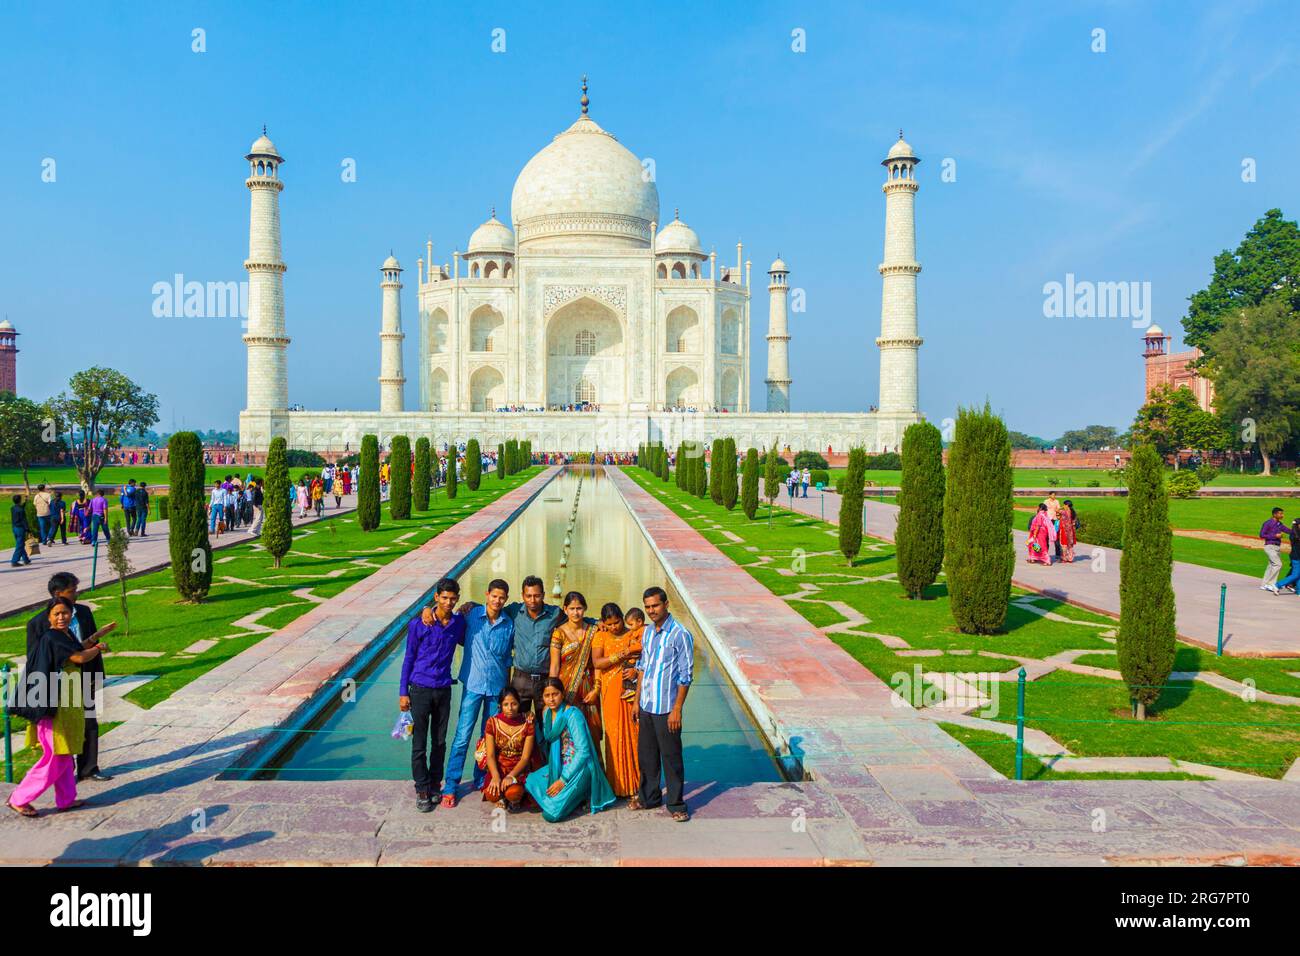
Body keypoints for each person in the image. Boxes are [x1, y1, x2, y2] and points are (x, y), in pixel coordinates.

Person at [6, 599, 109, 817]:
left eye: (65, 613)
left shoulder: (65, 635)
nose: (61, 617)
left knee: (65, 752)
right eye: (57, 614)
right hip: (53, 705)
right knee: (56, 755)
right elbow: (79, 657)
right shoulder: (52, 636)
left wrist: (96, 637)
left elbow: (78, 647)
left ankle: (66, 799)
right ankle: (19, 798)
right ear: (49, 617)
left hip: (66, 700)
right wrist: (98, 649)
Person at [26, 572, 117, 781]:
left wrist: (96, 674)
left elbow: (88, 646)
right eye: (72, 591)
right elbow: (35, 659)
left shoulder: (84, 612)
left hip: (83, 678)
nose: (76, 594)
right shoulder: (37, 624)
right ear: (58, 594)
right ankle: (65, 771)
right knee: (61, 729)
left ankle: (89, 768)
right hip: (58, 684)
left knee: (89, 722)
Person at [442, 579, 514, 807]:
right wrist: (426, 610)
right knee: (462, 736)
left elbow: (508, 659)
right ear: (487, 594)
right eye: (494, 596)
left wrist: (508, 692)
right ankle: (451, 784)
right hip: (473, 685)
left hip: (496, 689)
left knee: (488, 738)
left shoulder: (508, 625)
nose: (497, 601)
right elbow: (447, 616)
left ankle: (481, 777)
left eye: (502, 597)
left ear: (506, 599)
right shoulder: (471, 616)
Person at [398, 577, 465, 812]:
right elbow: (408, 658)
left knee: (439, 741)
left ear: (457, 599)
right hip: (420, 689)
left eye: (452, 598)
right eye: (444, 598)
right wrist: (402, 692)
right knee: (419, 743)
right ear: (436, 597)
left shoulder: (458, 625)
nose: (448, 602)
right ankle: (422, 789)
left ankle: (436, 783)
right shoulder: (419, 624)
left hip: (443, 689)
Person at [454, 574, 560, 720]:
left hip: (544, 679)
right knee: (515, 722)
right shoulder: (515, 611)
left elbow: (576, 617)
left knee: (546, 724)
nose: (532, 600)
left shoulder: (554, 614)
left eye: (537, 595)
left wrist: (596, 622)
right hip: (520, 679)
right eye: (528, 596)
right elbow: (493, 606)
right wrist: (472, 605)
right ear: (522, 595)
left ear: (543, 595)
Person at [630, 587, 693, 821]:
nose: (651, 610)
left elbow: (686, 676)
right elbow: (642, 668)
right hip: (647, 704)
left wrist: (677, 709)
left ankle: (676, 804)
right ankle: (649, 797)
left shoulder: (679, 634)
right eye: (647, 607)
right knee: (646, 756)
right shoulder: (647, 633)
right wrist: (637, 702)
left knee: (671, 757)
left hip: (667, 708)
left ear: (666, 604)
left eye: (655, 606)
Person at [524, 677, 616, 822]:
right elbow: (546, 739)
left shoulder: (573, 714)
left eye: (555, 694)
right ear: (542, 698)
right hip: (559, 765)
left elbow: (583, 751)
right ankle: (570, 797)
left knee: (550, 815)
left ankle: (581, 792)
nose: (551, 699)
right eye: (547, 696)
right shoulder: (546, 713)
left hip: (579, 768)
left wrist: (562, 780)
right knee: (530, 781)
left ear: (562, 693)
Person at [591, 603, 642, 797]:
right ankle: (617, 785)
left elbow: (643, 655)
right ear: (604, 623)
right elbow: (597, 662)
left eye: (617, 622)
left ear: (622, 617)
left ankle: (638, 785)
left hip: (630, 692)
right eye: (610, 624)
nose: (614, 627)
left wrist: (635, 670)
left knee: (635, 735)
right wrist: (624, 654)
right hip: (610, 692)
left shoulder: (633, 633)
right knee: (614, 737)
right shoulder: (600, 636)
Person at [549, 591, 602, 745]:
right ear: (565, 609)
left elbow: (597, 663)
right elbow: (555, 665)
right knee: (568, 733)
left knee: (592, 731)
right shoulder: (558, 633)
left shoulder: (594, 631)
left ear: (584, 608)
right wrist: (553, 693)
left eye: (579, 608)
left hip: (589, 688)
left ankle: (593, 769)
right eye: (571, 609)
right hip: (566, 689)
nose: (576, 612)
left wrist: (597, 689)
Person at [476, 686, 537, 811]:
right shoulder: (492, 723)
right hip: (499, 768)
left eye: (514, 704)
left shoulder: (527, 724)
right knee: (492, 795)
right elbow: (491, 755)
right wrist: (496, 776)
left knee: (513, 793)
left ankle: (515, 797)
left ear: (519, 704)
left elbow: (525, 758)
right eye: (506, 704)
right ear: (500, 706)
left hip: (518, 769)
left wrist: (511, 776)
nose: (510, 708)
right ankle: (503, 796)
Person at [1260, 507, 1287, 594]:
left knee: (1271, 565)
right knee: (1278, 564)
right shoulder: (1268, 523)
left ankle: (1264, 584)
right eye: (1280, 513)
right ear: (1274, 514)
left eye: (1282, 513)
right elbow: (1262, 535)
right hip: (1269, 546)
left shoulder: (1279, 524)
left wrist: (1296, 530)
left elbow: (1287, 530)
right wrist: (1275, 536)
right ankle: (1271, 584)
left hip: (1277, 547)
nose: (1282, 515)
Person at [1279, 518, 1300, 594]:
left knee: (1297, 573)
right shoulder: (1295, 535)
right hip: (1296, 555)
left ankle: (1298, 590)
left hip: (1296, 555)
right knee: (1295, 574)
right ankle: (1278, 585)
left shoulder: (1296, 533)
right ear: (1297, 525)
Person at [10, 493, 31, 567]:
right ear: (19, 500)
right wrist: (28, 529)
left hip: (14, 528)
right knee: (20, 545)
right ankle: (14, 561)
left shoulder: (13, 508)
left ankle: (26, 560)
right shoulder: (21, 510)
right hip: (20, 529)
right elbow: (23, 520)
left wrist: (26, 502)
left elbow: (20, 507)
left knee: (20, 544)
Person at [1043, 491, 1061, 560]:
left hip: (1055, 520)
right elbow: (1044, 509)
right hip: (1048, 520)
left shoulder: (1057, 501)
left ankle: (1058, 554)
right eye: (1053, 495)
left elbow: (1058, 509)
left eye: (1055, 495)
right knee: (1046, 537)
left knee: (1056, 537)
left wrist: (1058, 510)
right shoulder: (1046, 501)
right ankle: (1045, 553)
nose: (1054, 496)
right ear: (1049, 495)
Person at [1058, 499, 1077, 564]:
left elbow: (1056, 510)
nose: (1063, 506)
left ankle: (1064, 558)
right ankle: (1070, 558)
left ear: (1067, 505)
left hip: (1064, 530)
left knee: (1064, 544)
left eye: (1064, 504)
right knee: (1070, 545)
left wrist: (1061, 507)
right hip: (1071, 531)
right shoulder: (1073, 512)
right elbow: (1074, 522)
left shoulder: (1064, 512)